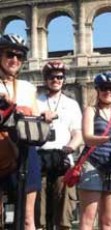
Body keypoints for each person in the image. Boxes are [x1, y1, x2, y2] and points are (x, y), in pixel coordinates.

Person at [35, 60, 82, 230]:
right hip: (40, 156)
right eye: (52, 77)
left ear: (64, 79)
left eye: (59, 77)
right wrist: (40, 116)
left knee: (64, 213)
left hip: (63, 157)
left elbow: (77, 133)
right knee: (38, 212)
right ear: (46, 79)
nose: (56, 80)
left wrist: (70, 147)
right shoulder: (36, 102)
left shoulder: (72, 104)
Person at [0, 33, 40, 230]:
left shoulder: (28, 87)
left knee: (27, 218)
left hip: (24, 152)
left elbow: (35, 116)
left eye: (19, 56)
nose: (14, 60)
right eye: (9, 54)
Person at [77, 71, 111, 230]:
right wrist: (109, 138)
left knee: (107, 221)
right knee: (88, 219)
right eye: (104, 88)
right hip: (93, 165)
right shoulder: (91, 111)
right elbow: (87, 138)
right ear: (98, 90)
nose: (109, 92)